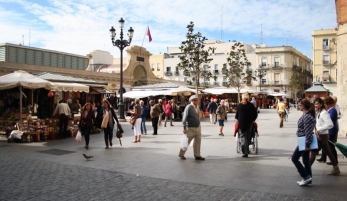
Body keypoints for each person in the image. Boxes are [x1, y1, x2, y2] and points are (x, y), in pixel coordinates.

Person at [309, 97, 340, 175]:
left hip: (322, 136)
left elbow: (330, 124)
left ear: (321, 104)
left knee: (313, 152)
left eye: (316, 104)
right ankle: (336, 168)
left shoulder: (324, 113)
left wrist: (320, 129)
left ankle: (306, 169)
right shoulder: (319, 112)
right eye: (314, 104)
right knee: (328, 152)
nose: (315, 105)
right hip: (322, 135)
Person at [292, 99, 315, 186]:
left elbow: (308, 131)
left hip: (304, 141)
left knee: (294, 158)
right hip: (303, 140)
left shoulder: (307, 117)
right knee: (306, 160)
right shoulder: (306, 115)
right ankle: (308, 179)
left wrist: (307, 144)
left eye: (300, 105)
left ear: (304, 106)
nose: (299, 106)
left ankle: (306, 177)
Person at [178, 95, 205, 160]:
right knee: (186, 142)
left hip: (198, 127)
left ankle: (197, 155)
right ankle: (181, 154)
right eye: (196, 100)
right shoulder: (189, 107)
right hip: (190, 128)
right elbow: (184, 118)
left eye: (197, 100)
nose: (197, 101)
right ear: (192, 101)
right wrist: (184, 128)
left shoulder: (197, 107)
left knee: (198, 142)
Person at [235, 93, 258, 157]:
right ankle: (246, 150)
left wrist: (238, 118)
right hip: (249, 123)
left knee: (243, 137)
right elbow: (255, 114)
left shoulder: (239, 105)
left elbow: (236, 115)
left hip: (242, 123)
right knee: (248, 136)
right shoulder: (251, 105)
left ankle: (245, 151)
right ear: (248, 98)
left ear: (242, 98)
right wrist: (253, 119)